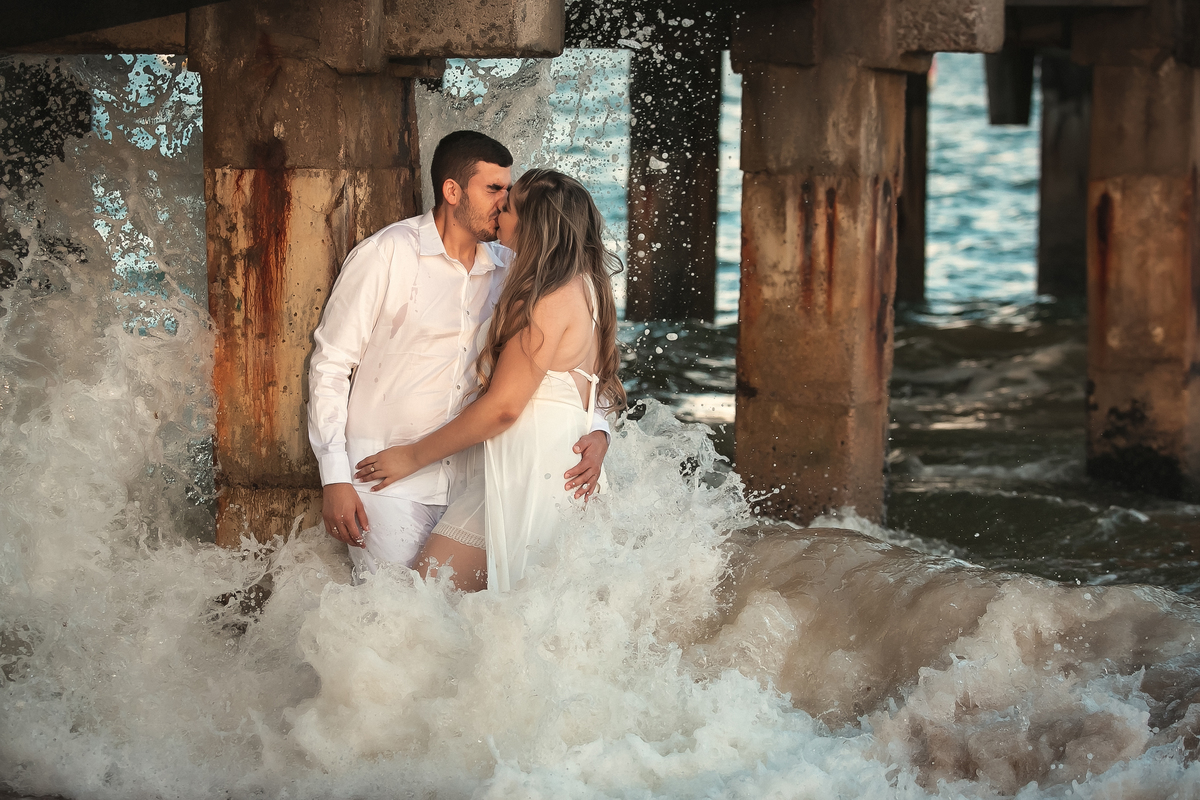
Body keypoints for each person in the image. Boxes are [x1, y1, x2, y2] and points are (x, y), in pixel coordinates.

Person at [307, 132, 610, 582]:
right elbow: (330, 366)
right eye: (494, 190)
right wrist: (334, 476)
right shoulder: (386, 255)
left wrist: (599, 429)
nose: (503, 202)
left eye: (509, 192)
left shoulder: (517, 272)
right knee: (403, 622)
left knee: (463, 631)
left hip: (482, 479)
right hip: (388, 481)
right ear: (453, 191)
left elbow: (581, 368)